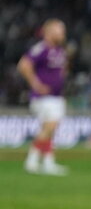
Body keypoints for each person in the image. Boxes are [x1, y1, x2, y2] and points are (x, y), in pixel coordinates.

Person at [18, 19, 70, 176]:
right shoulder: (41, 48)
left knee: (49, 130)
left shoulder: (59, 50)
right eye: (60, 30)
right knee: (50, 126)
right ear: (49, 32)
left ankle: (48, 162)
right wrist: (36, 84)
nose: (63, 34)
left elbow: (62, 69)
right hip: (43, 97)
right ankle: (31, 160)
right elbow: (24, 65)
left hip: (56, 96)